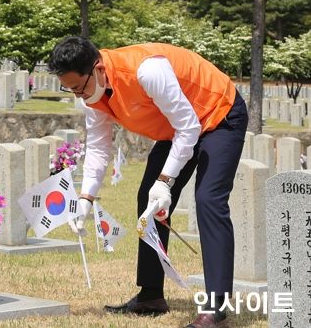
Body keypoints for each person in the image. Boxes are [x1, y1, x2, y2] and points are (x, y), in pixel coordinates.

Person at [48, 36, 247, 328]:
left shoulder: (147, 71)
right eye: (70, 90)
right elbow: (100, 147)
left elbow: (189, 127)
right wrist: (86, 198)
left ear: (98, 68)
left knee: (208, 200)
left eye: (78, 87)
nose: (78, 95)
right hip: (178, 128)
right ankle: (151, 296)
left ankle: (217, 308)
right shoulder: (93, 94)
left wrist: (165, 180)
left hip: (218, 114)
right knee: (147, 198)